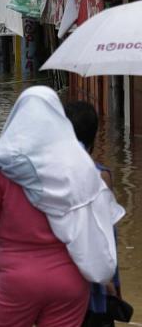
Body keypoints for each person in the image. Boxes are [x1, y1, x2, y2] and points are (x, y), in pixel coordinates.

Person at [0, 87, 124, 327]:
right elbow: (98, 224)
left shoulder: (2, 169)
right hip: (71, 279)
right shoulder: (81, 167)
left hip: (17, 279)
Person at [63, 101, 123, 327]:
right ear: (95, 137)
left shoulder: (45, 172)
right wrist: (114, 284)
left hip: (55, 284)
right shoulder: (101, 176)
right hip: (94, 284)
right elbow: (107, 234)